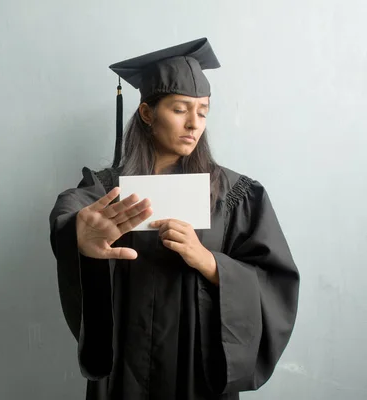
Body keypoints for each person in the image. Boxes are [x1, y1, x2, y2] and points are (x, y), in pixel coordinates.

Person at [48, 38, 300, 400]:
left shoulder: (233, 195)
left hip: (198, 371)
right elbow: (71, 208)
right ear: (148, 114)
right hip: (126, 370)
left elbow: (274, 280)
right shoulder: (107, 190)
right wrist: (77, 235)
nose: (194, 124)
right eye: (180, 109)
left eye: (203, 111)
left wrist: (212, 264)